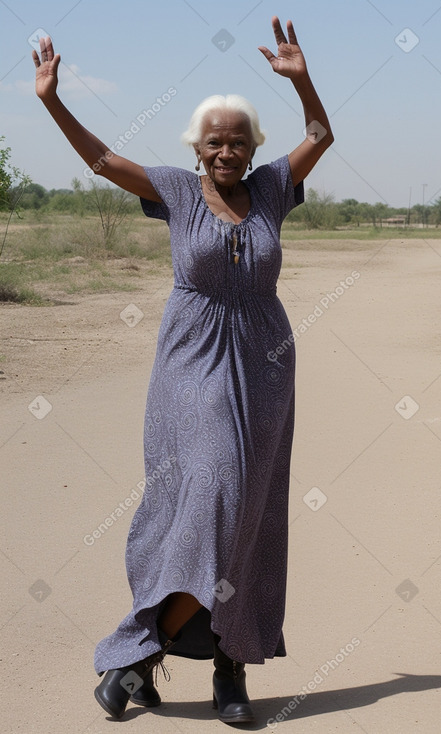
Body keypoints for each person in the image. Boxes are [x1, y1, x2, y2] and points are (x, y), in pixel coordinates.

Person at [33, 16, 333, 725]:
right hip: (191, 362)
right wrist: (50, 99)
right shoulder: (171, 189)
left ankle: (220, 669)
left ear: (250, 147)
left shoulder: (269, 190)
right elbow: (103, 160)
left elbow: (319, 136)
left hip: (263, 363)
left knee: (247, 517)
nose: (224, 149)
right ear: (195, 148)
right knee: (211, 497)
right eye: (213, 140)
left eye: (236, 140)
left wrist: (301, 79)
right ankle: (138, 652)